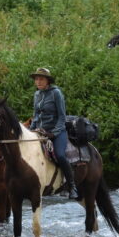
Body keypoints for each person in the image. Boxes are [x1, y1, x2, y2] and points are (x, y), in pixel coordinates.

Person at [29, 67, 78, 200]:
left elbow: (62, 117)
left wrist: (54, 133)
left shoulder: (56, 93)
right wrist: (30, 130)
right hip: (40, 131)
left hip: (56, 132)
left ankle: (72, 186)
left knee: (60, 155)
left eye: (41, 79)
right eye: (36, 79)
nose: (38, 81)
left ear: (48, 81)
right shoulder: (37, 94)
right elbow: (36, 115)